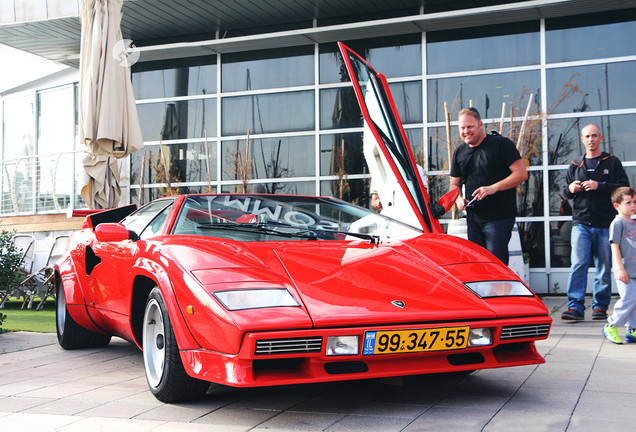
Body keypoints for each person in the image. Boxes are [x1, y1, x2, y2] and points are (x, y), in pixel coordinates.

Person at [561, 124, 629, 321]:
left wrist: (600, 186)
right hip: (581, 223)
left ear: (600, 138)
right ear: (582, 140)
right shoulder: (576, 164)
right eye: (587, 136)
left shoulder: (612, 162)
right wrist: (571, 188)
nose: (590, 139)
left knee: (604, 267)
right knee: (578, 264)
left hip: (605, 223)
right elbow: (565, 192)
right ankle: (575, 307)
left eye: (594, 136)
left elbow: (623, 189)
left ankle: (600, 307)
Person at [449, 107, 528, 265]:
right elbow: (454, 183)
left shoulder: (501, 144)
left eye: (470, 126)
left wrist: (493, 187)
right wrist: (458, 199)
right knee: (478, 267)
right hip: (473, 218)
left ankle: (500, 291)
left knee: (495, 266)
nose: (466, 131)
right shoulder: (459, 152)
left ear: (480, 124)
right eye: (462, 128)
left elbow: (521, 174)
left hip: (499, 218)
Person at [602, 187, 636, 344]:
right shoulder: (618, 223)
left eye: (635, 202)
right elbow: (614, 247)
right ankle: (611, 324)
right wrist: (620, 268)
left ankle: (633, 330)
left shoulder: (634, 223)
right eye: (629, 202)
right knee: (629, 298)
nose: (633, 205)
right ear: (617, 206)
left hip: (635, 269)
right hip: (624, 270)